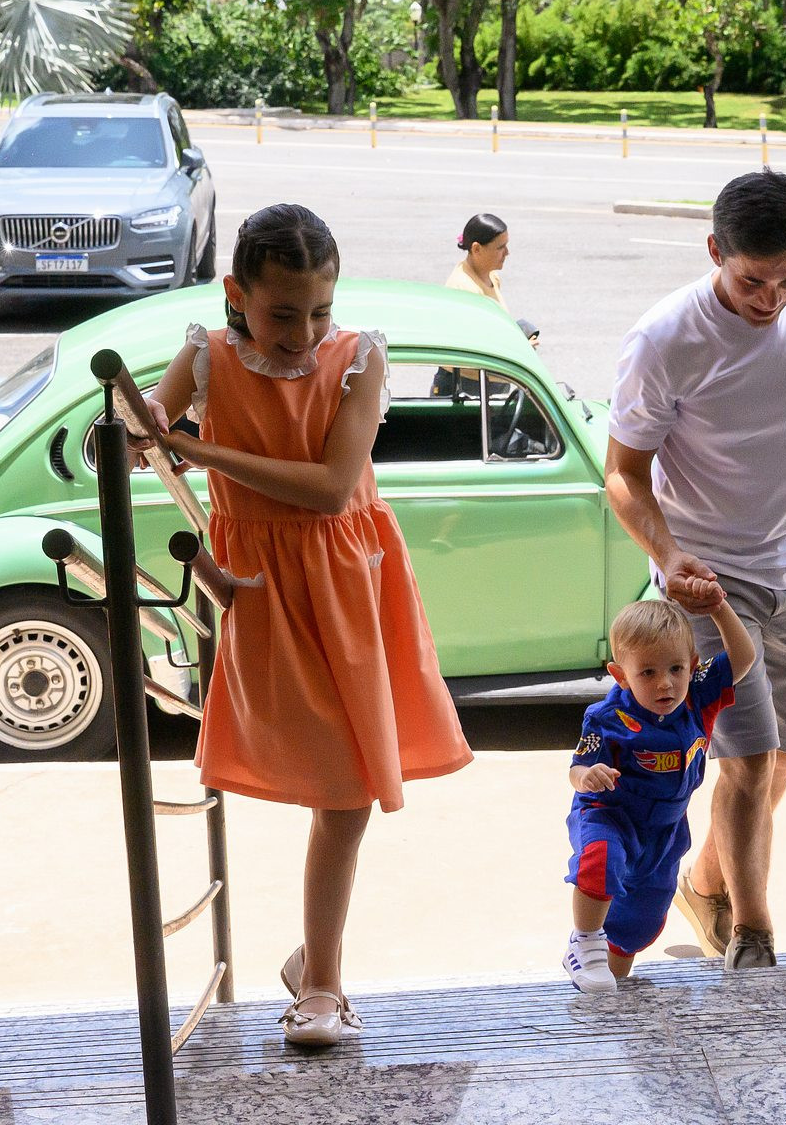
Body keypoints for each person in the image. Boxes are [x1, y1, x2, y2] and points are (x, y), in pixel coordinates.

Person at [134, 203, 473, 1047]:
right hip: (263, 588)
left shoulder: (357, 356)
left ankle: (319, 978)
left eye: (319, 311)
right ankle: (316, 970)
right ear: (235, 295)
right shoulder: (207, 354)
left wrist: (194, 449)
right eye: (282, 313)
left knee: (349, 794)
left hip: (349, 581)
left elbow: (329, 487)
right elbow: (144, 429)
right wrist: (147, 429)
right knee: (337, 785)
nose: (302, 333)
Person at [604, 170, 786, 972]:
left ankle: (705, 883)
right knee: (747, 761)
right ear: (714, 252)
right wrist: (667, 555)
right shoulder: (666, 339)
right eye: (751, 282)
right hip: (707, 584)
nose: (770, 300)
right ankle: (752, 934)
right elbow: (623, 473)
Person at [564, 597, 755, 994]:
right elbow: (576, 769)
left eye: (675, 669)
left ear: (693, 664)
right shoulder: (606, 718)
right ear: (621, 675)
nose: (665, 683)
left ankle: (611, 985)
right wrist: (587, 777)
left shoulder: (698, 697)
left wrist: (718, 607)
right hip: (609, 814)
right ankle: (584, 943)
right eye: (647, 672)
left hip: (664, 832)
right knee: (601, 859)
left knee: (640, 923)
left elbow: (744, 656)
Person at [437, 213, 537, 397]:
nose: (507, 253)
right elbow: (479, 347)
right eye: (500, 247)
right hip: (469, 387)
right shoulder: (464, 289)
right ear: (477, 249)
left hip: (490, 380)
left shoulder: (491, 276)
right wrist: (520, 349)